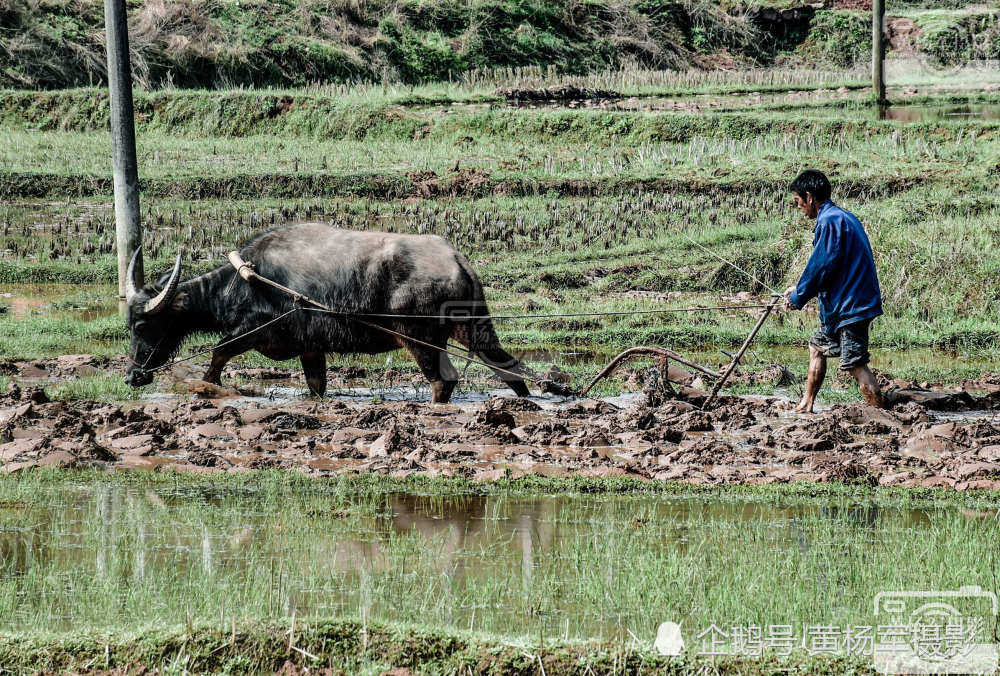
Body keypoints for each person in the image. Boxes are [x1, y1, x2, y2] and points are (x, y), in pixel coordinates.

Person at [782, 170, 884, 412]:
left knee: (854, 365)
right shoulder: (842, 217)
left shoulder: (829, 221)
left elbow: (821, 266)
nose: (799, 208)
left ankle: (883, 416)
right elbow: (834, 266)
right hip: (847, 303)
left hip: (852, 305)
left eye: (798, 202)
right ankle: (807, 404)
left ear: (809, 197)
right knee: (817, 346)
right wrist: (799, 289)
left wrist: (799, 297)